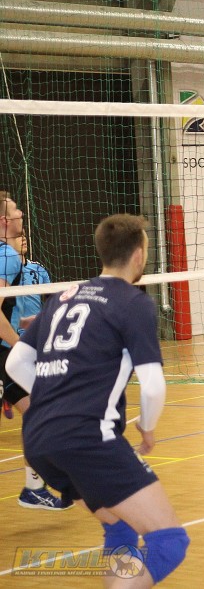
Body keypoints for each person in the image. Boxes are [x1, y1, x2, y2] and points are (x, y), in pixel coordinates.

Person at [6, 214, 190, 585]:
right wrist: (147, 428)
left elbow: (15, 363)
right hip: (88, 439)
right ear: (139, 255)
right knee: (169, 542)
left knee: (120, 526)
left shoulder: (64, 297)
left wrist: (53, 401)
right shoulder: (132, 303)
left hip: (39, 440)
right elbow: (153, 385)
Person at [0, 196, 69, 510]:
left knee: (38, 411)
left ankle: (35, 485)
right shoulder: (7, 255)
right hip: (4, 353)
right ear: (5, 221)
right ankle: (38, 484)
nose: (21, 213)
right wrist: (19, 347)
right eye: (16, 210)